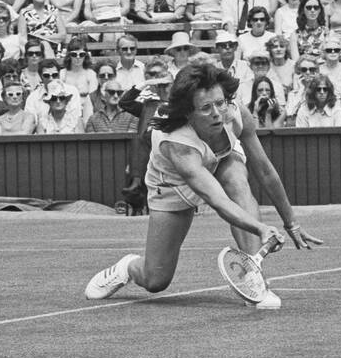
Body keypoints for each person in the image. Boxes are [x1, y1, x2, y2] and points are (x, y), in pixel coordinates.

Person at [83, 62, 321, 304]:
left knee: (236, 179)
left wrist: (291, 223)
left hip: (220, 158)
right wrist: (260, 228)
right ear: (188, 112)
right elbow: (216, 200)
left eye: (220, 103)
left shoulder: (234, 112)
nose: (217, 113)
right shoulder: (176, 142)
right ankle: (128, 267)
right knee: (155, 280)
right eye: (206, 108)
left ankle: (253, 276)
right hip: (172, 184)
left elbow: (265, 171)